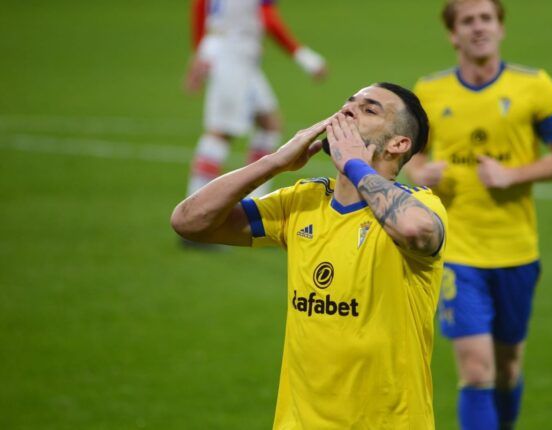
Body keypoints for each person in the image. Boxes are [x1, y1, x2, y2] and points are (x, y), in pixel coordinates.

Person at [171, 82, 447, 428]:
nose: (347, 112)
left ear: (398, 144)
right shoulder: (302, 202)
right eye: (348, 104)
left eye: (369, 109)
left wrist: (355, 165)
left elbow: (413, 230)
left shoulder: (420, 204)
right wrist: (274, 163)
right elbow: (189, 221)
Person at [406, 1, 552, 428]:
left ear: (501, 28)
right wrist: (420, 170)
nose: (478, 27)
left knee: (506, 369)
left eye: (486, 19)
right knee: (476, 371)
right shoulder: (429, 92)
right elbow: (412, 153)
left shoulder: (535, 87)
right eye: (467, 21)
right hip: (457, 250)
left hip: (516, 250)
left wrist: (513, 174)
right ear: (453, 35)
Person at [183, 0, 327, 201]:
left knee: (269, 125)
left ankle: (254, 199)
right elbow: (268, 20)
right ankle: (194, 206)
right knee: (220, 133)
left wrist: (199, 53)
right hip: (232, 58)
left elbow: (200, 6)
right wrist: (306, 58)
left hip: (235, 56)